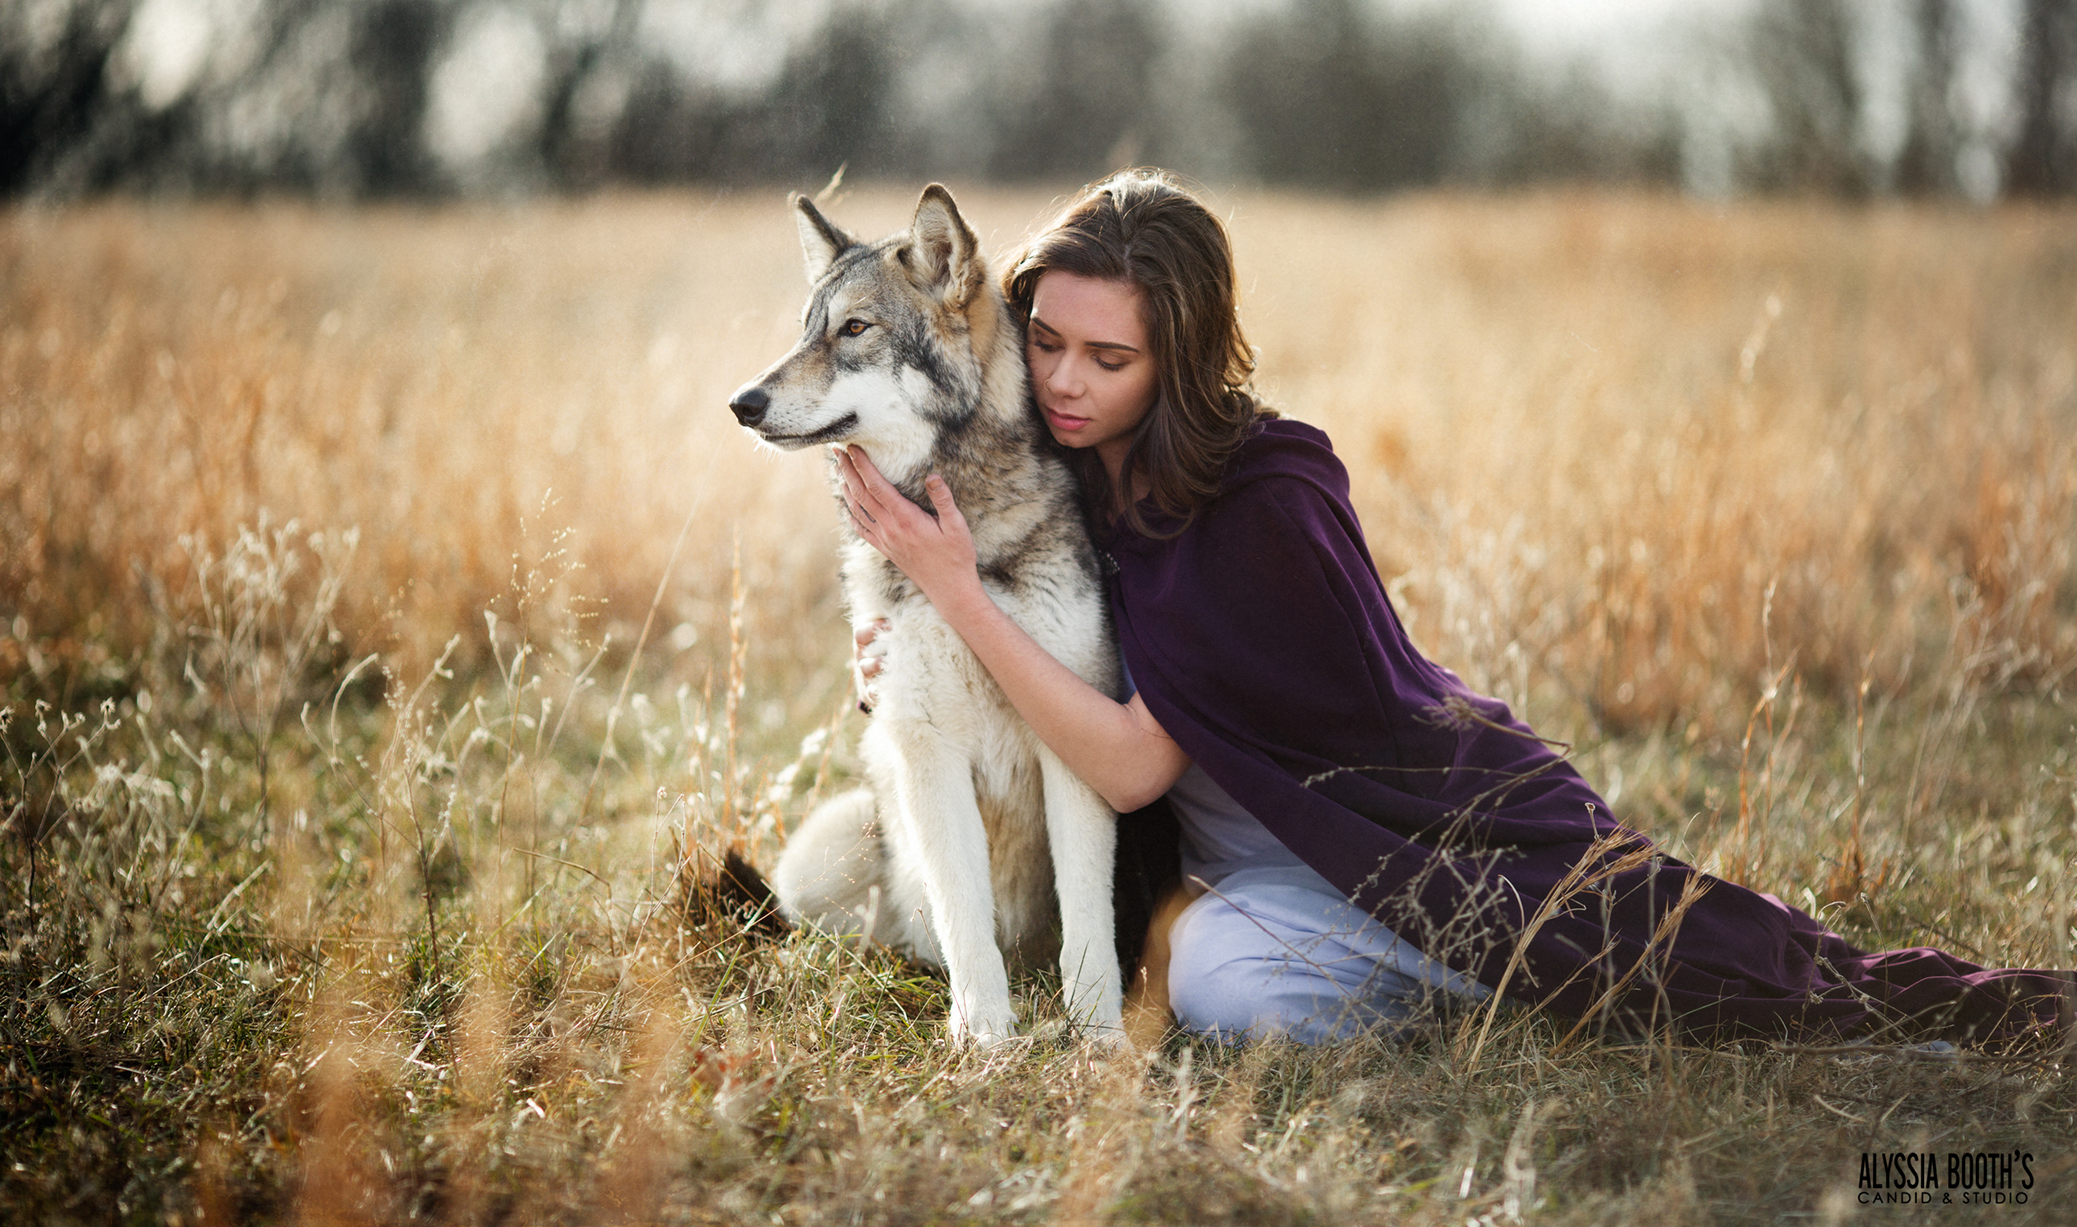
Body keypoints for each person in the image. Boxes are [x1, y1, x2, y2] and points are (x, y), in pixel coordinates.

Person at [831, 169, 2070, 1049]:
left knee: (1230, 983)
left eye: (1111, 360)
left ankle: (1501, 968)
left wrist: (955, 595)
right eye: (1047, 341)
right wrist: (918, 629)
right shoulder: (1057, 483)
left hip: (1412, 838)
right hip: (1254, 872)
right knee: (1202, 968)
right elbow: (1003, 656)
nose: (1063, 381)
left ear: (1182, 361)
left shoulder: (1263, 496)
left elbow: (1129, 763)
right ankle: (1466, 975)